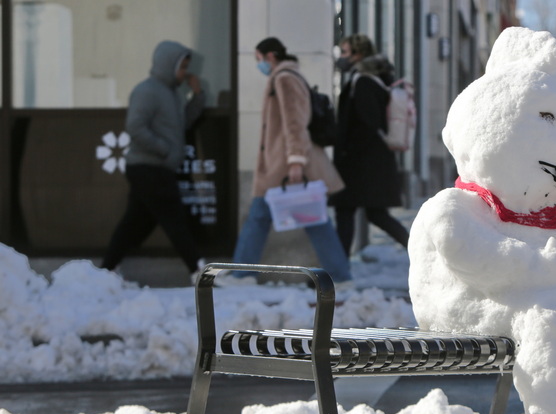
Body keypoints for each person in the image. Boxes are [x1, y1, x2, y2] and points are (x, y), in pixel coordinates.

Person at [219, 37, 352, 285]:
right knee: (307, 220)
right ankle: (340, 276)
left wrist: (295, 161)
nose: (259, 65)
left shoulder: (284, 78)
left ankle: (242, 274)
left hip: (285, 167)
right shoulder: (286, 76)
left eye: (259, 59)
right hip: (281, 165)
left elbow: (295, 122)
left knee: (292, 219)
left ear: (270, 56)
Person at [102, 40, 206, 283]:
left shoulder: (173, 94)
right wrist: (165, 150)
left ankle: (106, 271)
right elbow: (135, 127)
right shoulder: (147, 90)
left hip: (158, 168)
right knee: (174, 218)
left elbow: (182, 125)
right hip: (147, 167)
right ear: (168, 65)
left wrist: (198, 96)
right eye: (182, 67)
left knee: (134, 223)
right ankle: (197, 269)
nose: (185, 73)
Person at [331, 34, 410, 255]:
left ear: (358, 55)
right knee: (374, 214)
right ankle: (418, 249)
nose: (341, 58)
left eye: (345, 53)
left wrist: (346, 153)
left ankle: (337, 270)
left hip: (361, 164)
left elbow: (368, 123)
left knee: (347, 212)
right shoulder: (375, 79)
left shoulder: (363, 82)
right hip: (370, 162)